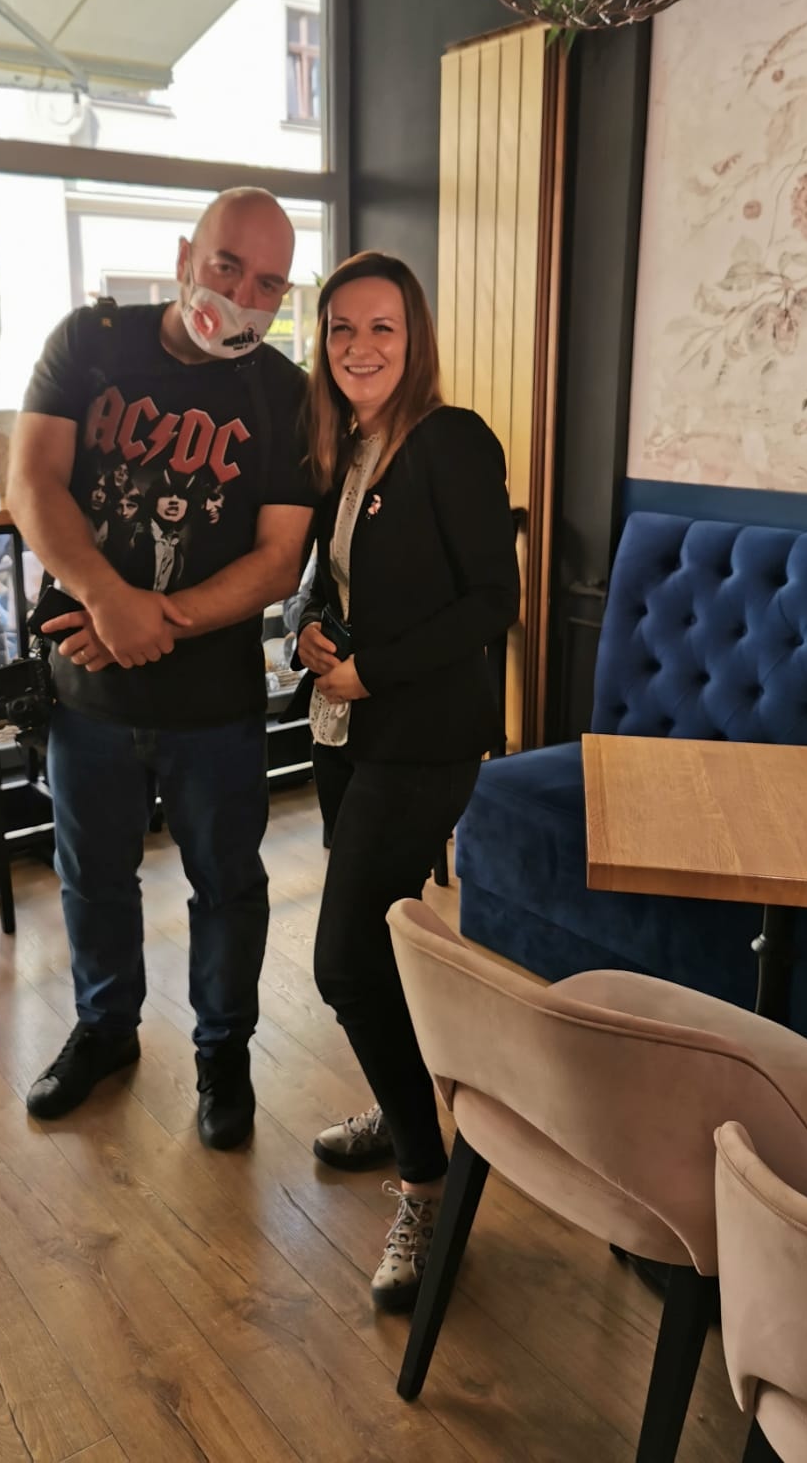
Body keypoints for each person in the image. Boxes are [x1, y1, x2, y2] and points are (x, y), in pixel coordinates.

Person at [7, 187, 315, 1149]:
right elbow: (31, 481)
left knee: (228, 887)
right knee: (92, 876)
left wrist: (146, 621)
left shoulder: (286, 394)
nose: (242, 297)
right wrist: (106, 596)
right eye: (227, 266)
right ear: (185, 258)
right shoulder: (90, 342)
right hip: (86, 691)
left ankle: (224, 1053)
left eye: (269, 284)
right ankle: (105, 1031)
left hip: (214, 703)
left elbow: (279, 560)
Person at [295, 251, 519, 1310]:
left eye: (381, 326)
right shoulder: (345, 448)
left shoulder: (451, 440)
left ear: (414, 337)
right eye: (341, 328)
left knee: (341, 961)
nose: (359, 347)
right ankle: (402, 1108)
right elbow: (334, 579)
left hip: (423, 738)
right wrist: (307, 629)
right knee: (382, 944)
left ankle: (428, 1185)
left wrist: (371, 669)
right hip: (344, 730)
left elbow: (492, 604)